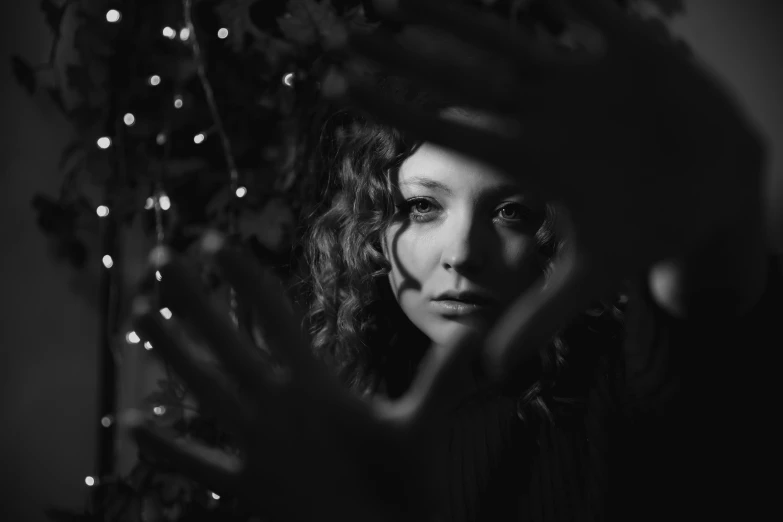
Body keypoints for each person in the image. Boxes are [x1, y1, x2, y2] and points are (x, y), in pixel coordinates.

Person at [125, 1, 781, 521]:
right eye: (421, 207)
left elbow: (699, 333)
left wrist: (716, 221)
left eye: (511, 213)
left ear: (560, 231)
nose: (463, 254)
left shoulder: (613, 384)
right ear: (374, 232)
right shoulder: (340, 420)